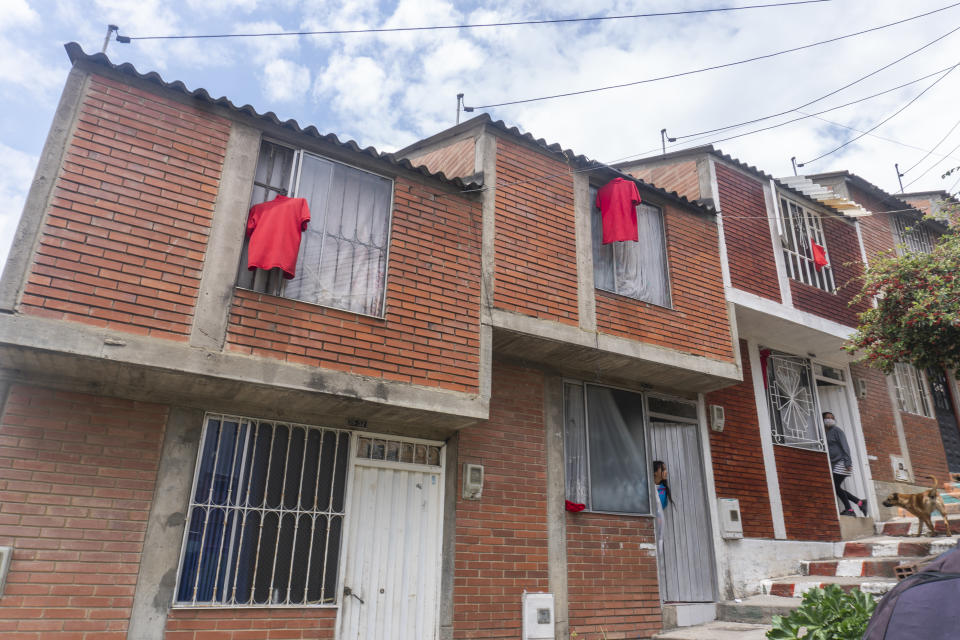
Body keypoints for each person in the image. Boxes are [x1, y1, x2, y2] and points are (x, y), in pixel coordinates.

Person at [824, 412, 867, 516]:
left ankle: (851, 509)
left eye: (831, 418)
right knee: (836, 487)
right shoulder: (826, 432)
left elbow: (845, 446)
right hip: (835, 463)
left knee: (835, 486)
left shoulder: (837, 431)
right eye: (827, 418)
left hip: (842, 462)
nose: (829, 419)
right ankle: (860, 503)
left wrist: (848, 462)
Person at [653, 460, 671, 554]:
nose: (666, 471)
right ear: (655, 472)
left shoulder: (664, 490)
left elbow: (662, 508)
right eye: (663, 469)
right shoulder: (647, 487)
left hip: (659, 529)